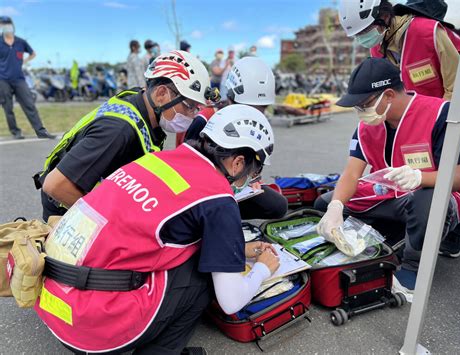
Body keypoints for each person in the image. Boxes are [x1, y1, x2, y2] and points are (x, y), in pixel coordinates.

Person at [35, 104, 279, 354]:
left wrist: (240, 249)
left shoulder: (156, 159)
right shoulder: (218, 198)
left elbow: (162, 225)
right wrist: (262, 269)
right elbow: (231, 302)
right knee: (203, 274)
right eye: (255, 170)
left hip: (53, 300)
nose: (253, 177)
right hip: (93, 327)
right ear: (238, 163)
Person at [314, 58, 460, 293]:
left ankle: (413, 265)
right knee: (324, 202)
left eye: (364, 104)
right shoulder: (368, 125)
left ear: (388, 95)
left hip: (426, 196)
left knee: (429, 200)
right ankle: (384, 235)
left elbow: (458, 179)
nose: (360, 112)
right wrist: (335, 206)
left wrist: (420, 178)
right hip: (387, 194)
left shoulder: (440, 115)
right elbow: (352, 172)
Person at [338, 0, 460, 257]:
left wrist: (438, 118)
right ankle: (410, 224)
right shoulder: (378, 48)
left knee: (458, 177)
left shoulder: (428, 32)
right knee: (411, 179)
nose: (362, 38)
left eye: (364, 30)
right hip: (408, 115)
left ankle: (452, 234)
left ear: (384, 17)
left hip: (454, 115)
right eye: (357, 34)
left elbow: (458, 83)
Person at [36, 50, 216, 221]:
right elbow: (56, 186)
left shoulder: (146, 108)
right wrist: (113, 222)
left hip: (101, 196)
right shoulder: (118, 131)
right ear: (161, 94)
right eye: (189, 105)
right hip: (68, 214)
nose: (192, 115)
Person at [183, 56, 288, 220]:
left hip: (236, 189)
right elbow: (186, 169)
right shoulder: (205, 120)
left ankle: (224, 214)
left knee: (278, 205)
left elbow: (254, 163)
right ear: (231, 97)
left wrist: (252, 179)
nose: (256, 114)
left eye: (262, 108)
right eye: (250, 108)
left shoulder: (255, 123)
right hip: (203, 193)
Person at [0, 16, 55, 140]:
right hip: (3, 80)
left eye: (7, 24)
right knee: (8, 108)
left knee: (29, 104)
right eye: (2, 24)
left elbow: (33, 53)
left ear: (12, 26)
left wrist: (24, 61)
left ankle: (41, 132)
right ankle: (16, 132)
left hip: (19, 79)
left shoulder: (21, 42)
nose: (6, 26)